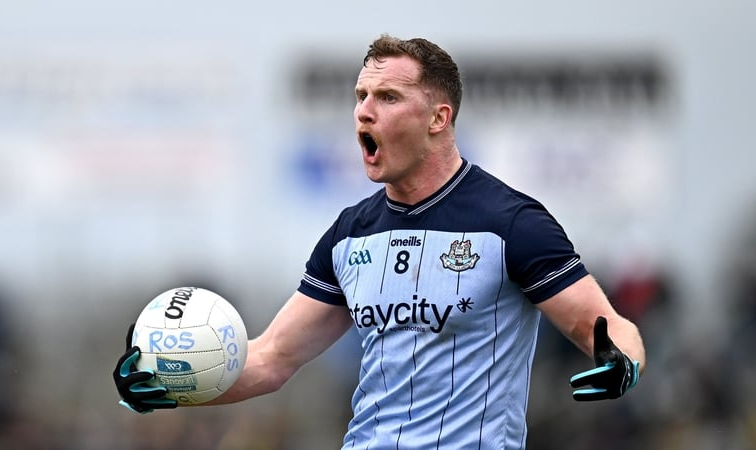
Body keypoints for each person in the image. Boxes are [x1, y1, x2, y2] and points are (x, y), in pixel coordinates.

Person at [113, 34, 646, 449]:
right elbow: (270, 359)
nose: (364, 110)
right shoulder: (349, 234)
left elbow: (604, 327)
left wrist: (625, 361)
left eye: (387, 97)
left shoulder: (511, 223)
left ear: (440, 118)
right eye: (361, 96)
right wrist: (168, 387)